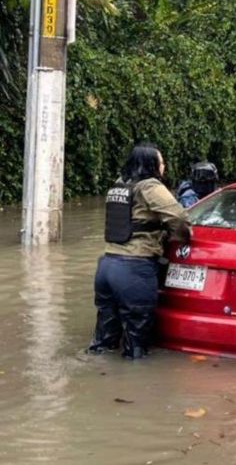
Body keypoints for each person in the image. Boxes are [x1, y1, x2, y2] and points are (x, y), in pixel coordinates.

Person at [88, 142, 191, 359]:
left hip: (106, 266)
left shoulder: (119, 185)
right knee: (136, 343)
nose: (164, 167)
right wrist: (180, 238)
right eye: (161, 162)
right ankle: (132, 388)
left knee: (104, 340)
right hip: (134, 269)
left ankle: (99, 376)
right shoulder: (149, 186)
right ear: (151, 164)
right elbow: (179, 218)